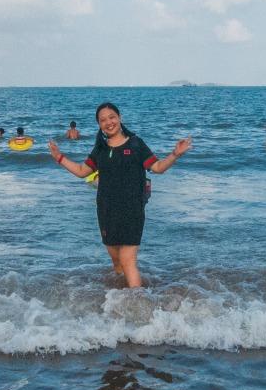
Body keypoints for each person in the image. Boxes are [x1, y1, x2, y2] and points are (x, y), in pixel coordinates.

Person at [47, 102, 191, 288]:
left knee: (127, 259)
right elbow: (82, 171)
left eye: (112, 117)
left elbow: (157, 167)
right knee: (116, 259)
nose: (109, 122)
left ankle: (138, 300)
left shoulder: (136, 144)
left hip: (132, 209)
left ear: (120, 117)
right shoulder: (101, 148)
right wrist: (59, 157)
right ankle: (119, 293)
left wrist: (175, 154)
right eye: (103, 120)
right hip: (106, 210)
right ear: (99, 124)